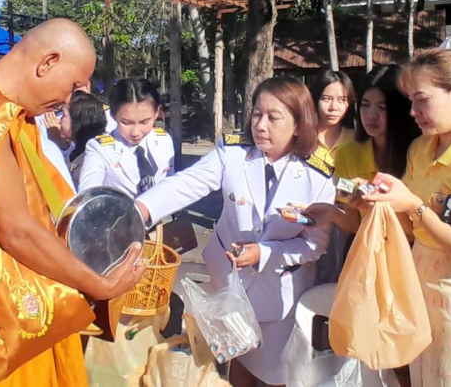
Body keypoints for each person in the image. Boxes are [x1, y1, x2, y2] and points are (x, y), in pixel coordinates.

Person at [0, 18, 145, 387]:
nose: (68, 99)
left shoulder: (10, 115)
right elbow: (17, 230)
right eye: (71, 85)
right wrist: (101, 286)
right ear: (47, 62)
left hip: (16, 297)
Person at [135, 77, 336, 387]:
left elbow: (314, 245)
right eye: (256, 114)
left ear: (298, 124)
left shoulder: (318, 175)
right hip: (227, 285)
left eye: (273, 117)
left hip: (278, 290)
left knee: (273, 372)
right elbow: (187, 184)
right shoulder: (233, 154)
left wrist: (265, 253)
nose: (260, 124)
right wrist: (141, 210)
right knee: (232, 365)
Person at [347, 49, 451, 387]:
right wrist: (378, 205)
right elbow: (413, 229)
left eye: (421, 100)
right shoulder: (421, 148)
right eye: (411, 101)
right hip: (421, 296)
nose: (413, 112)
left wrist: (415, 207)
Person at [331, 64, 421, 235]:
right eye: (365, 105)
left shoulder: (421, 152)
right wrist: (330, 213)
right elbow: (353, 223)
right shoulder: (347, 154)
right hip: (369, 250)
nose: (371, 114)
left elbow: (417, 227)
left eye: (382, 107)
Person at [79, 79, 175, 198]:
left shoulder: (164, 141)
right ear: (113, 115)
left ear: (156, 113)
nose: (135, 132)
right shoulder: (99, 148)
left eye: (144, 122)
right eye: (126, 122)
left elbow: (170, 185)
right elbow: (88, 195)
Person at [310, 70, 356, 165]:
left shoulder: (356, 140)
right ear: (315, 99)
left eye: (342, 100)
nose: (333, 107)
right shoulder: (303, 138)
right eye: (327, 99)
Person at [62, 91, 108, 185]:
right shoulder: (76, 150)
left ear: (78, 120)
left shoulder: (96, 155)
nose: (59, 121)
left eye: (63, 116)